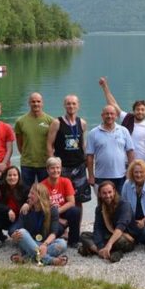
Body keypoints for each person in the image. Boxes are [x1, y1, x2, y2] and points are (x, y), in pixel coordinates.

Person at [46, 94, 91, 223]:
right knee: (63, 198)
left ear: (78, 105)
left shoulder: (82, 123)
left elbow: (82, 144)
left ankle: (77, 225)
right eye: (68, 103)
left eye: (73, 103)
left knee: (79, 199)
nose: (71, 106)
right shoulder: (57, 122)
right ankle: (62, 227)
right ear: (64, 105)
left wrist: (87, 163)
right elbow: (49, 144)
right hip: (62, 167)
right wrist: (51, 163)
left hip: (79, 166)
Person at [99, 77, 145, 165]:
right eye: (137, 109)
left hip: (143, 163)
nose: (140, 112)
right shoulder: (127, 118)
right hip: (124, 162)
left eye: (142, 110)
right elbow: (113, 104)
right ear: (133, 111)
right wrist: (105, 87)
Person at [8, 183, 68, 266]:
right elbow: (21, 231)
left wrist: (44, 245)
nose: (28, 195)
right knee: (22, 232)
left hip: (45, 242)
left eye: (32, 193)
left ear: (40, 196)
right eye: (29, 193)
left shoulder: (52, 210)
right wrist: (15, 236)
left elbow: (54, 233)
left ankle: (27, 258)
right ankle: (51, 260)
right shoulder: (25, 209)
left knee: (62, 243)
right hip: (29, 242)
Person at [78, 181, 136, 263]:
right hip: (108, 236)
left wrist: (109, 245)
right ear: (100, 194)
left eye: (110, 192)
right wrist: (101, 246)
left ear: (114, 191)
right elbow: (98, 229)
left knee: (120, 241)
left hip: (125, 237)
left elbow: (121, 227)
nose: (107, 196)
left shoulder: (124, 205)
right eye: (104, 193)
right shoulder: (99, 208)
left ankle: (93, 249)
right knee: (84, 235)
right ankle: (103, 252)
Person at [86, 105, 135, 191]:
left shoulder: (123, 131)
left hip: (121, 175)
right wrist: (91, 176)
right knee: (103, 202)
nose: (109, 116)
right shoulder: (93, 133)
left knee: (120, 202)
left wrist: (129, 172)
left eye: (112, 114)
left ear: (116, 116)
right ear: (102, 116)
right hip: (101, 176)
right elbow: (90, 156)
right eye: (106, 114)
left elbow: (130, 152)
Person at [40, 157, 82, 247]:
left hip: (61, 211)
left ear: (61, 168)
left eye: (58, 167)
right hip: (49, 216)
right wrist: (58, 219)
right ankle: (52, 240)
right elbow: (42, 209)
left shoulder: (66, 181)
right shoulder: (42, 185)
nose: (56, 170)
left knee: (75, 211)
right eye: (52, 168)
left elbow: (71, 202)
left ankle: (73, 241)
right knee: (58, 230)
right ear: (47, 170)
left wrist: (57, 211)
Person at [14, 92, 54, 186]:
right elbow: (19, 143)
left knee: (44, 192)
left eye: (38, 101)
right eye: (33, 102)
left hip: (45, 163)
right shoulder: (20, 121)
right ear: (29, 103)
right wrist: (26, 155)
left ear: (42, 103)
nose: (36, 104)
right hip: (27, 164)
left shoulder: (50, 121)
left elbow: (53, 143)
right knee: (26, 193)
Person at [0, 166, 29, 249]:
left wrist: (27, 203)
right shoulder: (1, 186)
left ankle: (25, 236)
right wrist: (8, 210)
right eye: (9, 175)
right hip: (5, 217)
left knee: (12, 232)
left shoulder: (24, 188)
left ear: (19, 176)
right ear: (5, 176)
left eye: (15, 175)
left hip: (19, 219)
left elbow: (33, 199)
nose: (12, 177)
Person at [121, 160, 145, 244]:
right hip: (134, 218)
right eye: (136, 172)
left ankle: (142, 237)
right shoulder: (127, 184)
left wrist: (143, 221)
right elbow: (124, 204)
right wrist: (131, 221)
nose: (138, 175)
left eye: (141, 172)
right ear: (132, 172)